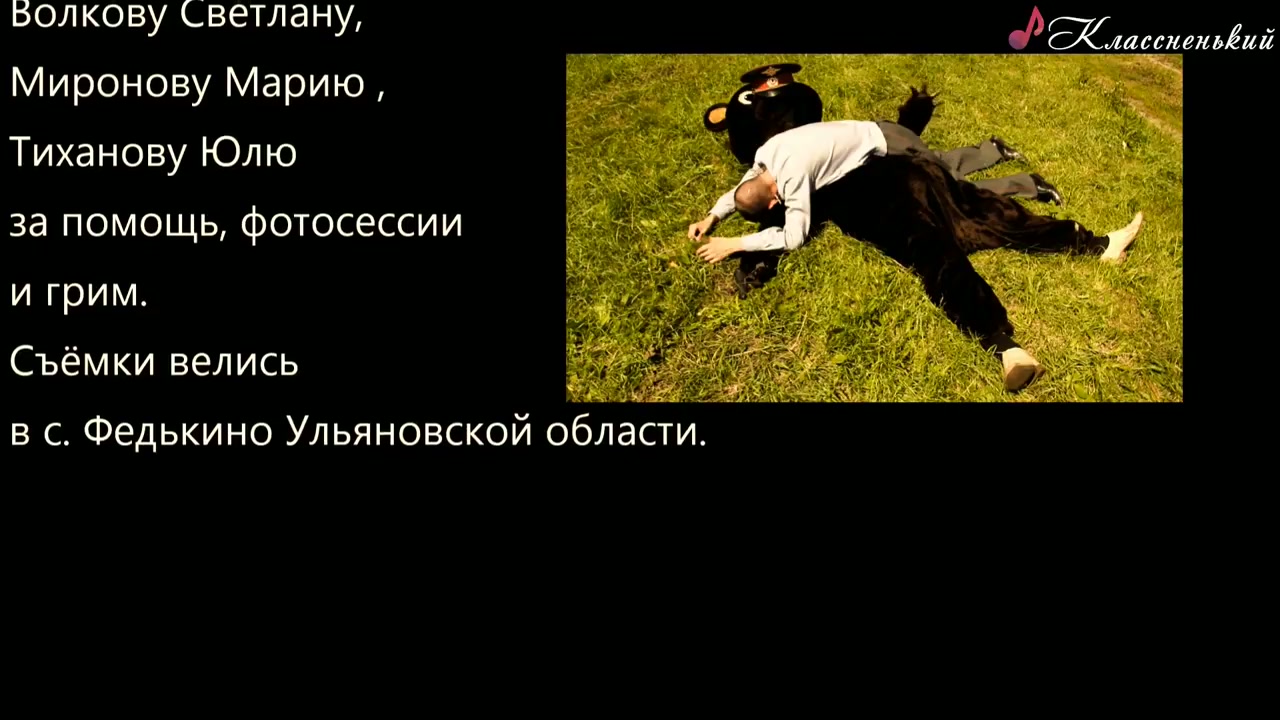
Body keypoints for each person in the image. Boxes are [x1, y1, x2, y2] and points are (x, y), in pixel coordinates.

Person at [686, 119, 1143, 392]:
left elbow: (794, 235)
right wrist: (713, 216)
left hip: (884, 178)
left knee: (941, 243)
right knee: (971, 216)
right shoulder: (767, 155)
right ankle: (1089, 252)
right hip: (892, 168)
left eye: (774, 202)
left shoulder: (794, 180)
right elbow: (742, 189)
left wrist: (735, 244)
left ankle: (1010, 337)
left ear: (774, 197)